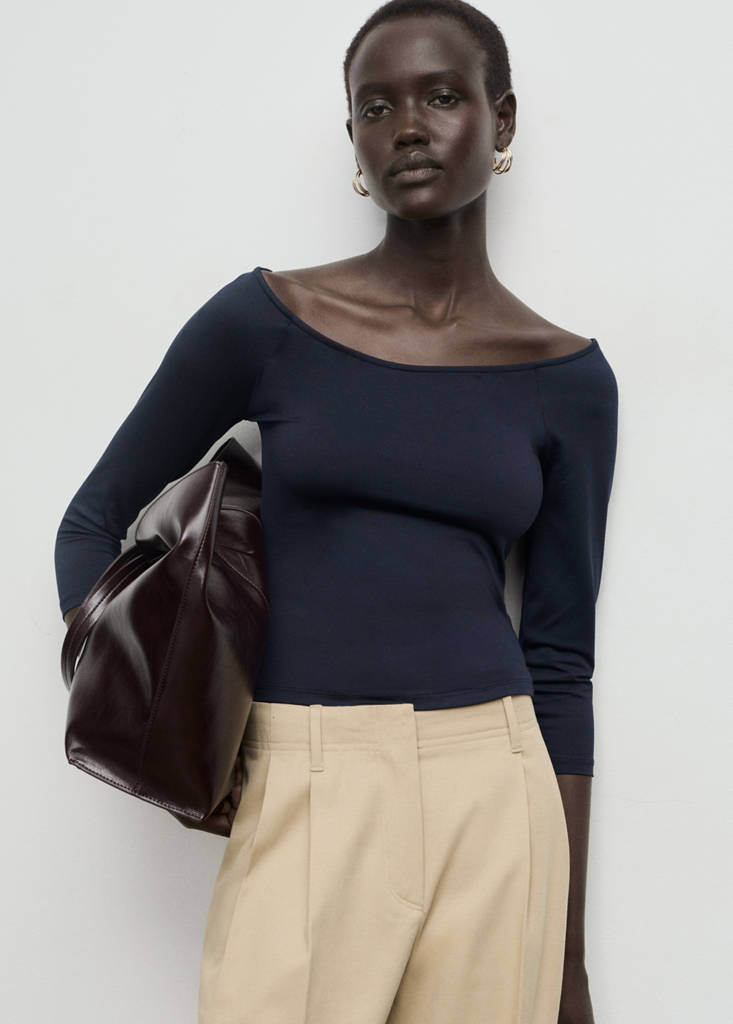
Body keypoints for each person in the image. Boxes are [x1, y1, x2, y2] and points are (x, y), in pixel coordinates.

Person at [54, 1, 619, 1021]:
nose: (407, 126)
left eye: (441, 96)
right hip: (306, 776)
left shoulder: (568, 379)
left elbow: (559, 660)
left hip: (496, 790)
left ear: (500, 121)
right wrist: (162, 720)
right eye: (376, 105)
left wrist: (568, 960)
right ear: (353, 137)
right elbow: (91, 521)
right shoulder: (266, 321)